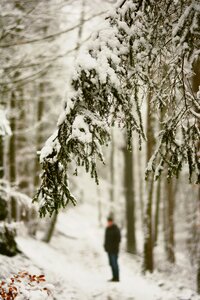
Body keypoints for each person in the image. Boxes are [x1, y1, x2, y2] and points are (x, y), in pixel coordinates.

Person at [104, 216, 121, 282]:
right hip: (109, 250)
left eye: (110, 222)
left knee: (115, 264)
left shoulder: (116, 229)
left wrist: (114, 246)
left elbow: (118, 239)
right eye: (108, 222)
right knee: (111, 264)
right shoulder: (107, 229)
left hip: (114, 250)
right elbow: (106, 239)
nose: (109, 223)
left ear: (112, 222)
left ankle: (117, 277)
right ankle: (114, 277)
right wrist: (105, 246)